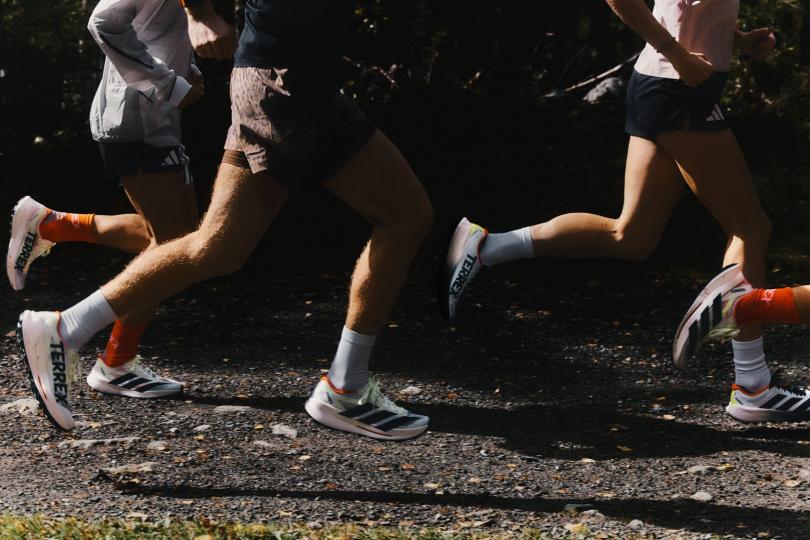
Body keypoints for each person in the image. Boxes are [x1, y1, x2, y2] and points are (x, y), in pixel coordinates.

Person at [16, 0, 433, 440]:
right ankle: (345, 389)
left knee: (219, 246)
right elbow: (105, 21)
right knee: (405, 216)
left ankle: (65, 329)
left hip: (280, 80)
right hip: (285, 85)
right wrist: (200, 15)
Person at [439, 0, 800, 422]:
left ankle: (486, 247)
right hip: (677, 89)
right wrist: (678, 54)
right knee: (750, 229)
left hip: (667, 86)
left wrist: (735, 40)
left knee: (631, 236)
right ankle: (753, 386)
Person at [8, 0, 207, 403]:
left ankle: (50, 225)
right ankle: (113, 361)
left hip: (154, 118)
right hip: (135, 119)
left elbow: (156, 27)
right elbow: (103, 21)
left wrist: (185, 72)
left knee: (179, 239)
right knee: (173, 249)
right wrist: (167, 82)